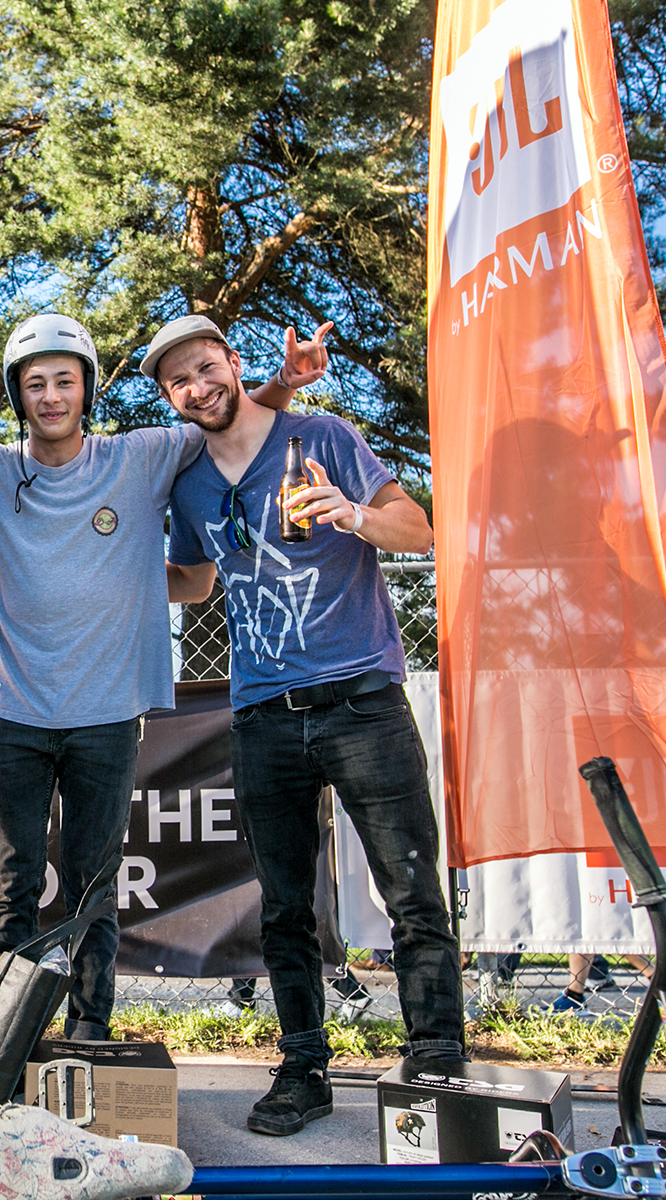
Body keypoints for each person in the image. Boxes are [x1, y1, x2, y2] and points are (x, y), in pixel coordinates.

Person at [0, 315, 329, 1043]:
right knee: (12, 894)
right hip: (14, 710)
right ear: (19, 401)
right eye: (35, 385)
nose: (51, 396)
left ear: (86, 388)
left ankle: (88, 1033)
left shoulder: (144, 454)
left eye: (65, 381)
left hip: (109, 714)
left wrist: (283, 381)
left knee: (94, 890)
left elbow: (220, 412)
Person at [150, 314, 462, 1136]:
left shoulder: (320, 434)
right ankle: (303, 1066)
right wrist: (128, 566)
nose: (198, 386)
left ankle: (436, 1062)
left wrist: (353, 512)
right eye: (179, 379)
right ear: (170, 395)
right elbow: (195, 584)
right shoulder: (187, 479)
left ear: (232, 362)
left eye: (206, 366)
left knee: (413, 893)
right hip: (261, 713)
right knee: (284, 908)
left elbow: (420, 531)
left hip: (361, 699)